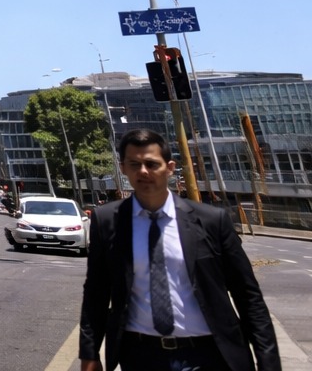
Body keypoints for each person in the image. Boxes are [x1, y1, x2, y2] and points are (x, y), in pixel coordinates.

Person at [79, 127, 280, 371]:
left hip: (209, 355)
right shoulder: (107, 221)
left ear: (170, 168)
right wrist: (89, 355)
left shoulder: (211, 221)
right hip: (140, 356)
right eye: (134, 164)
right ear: (123, 169)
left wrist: (268, 363)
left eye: (151, 164)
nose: (143, 172)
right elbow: (96, 294)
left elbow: (248, 296)